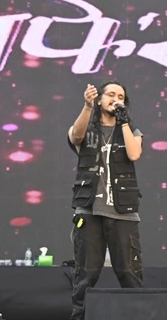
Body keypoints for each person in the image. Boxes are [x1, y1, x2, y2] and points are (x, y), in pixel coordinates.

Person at [67, 81, 144, 320]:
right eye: (111, 94)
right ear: (99, 99)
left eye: (121, 96)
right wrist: (87, 106)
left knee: (129, 273)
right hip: (90, 211)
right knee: (86, 274)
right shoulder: (87, 127)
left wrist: (124, 122)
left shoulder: (131, 130)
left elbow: (134, 154)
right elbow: (75, 136)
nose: (116, 99)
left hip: (123, 212)